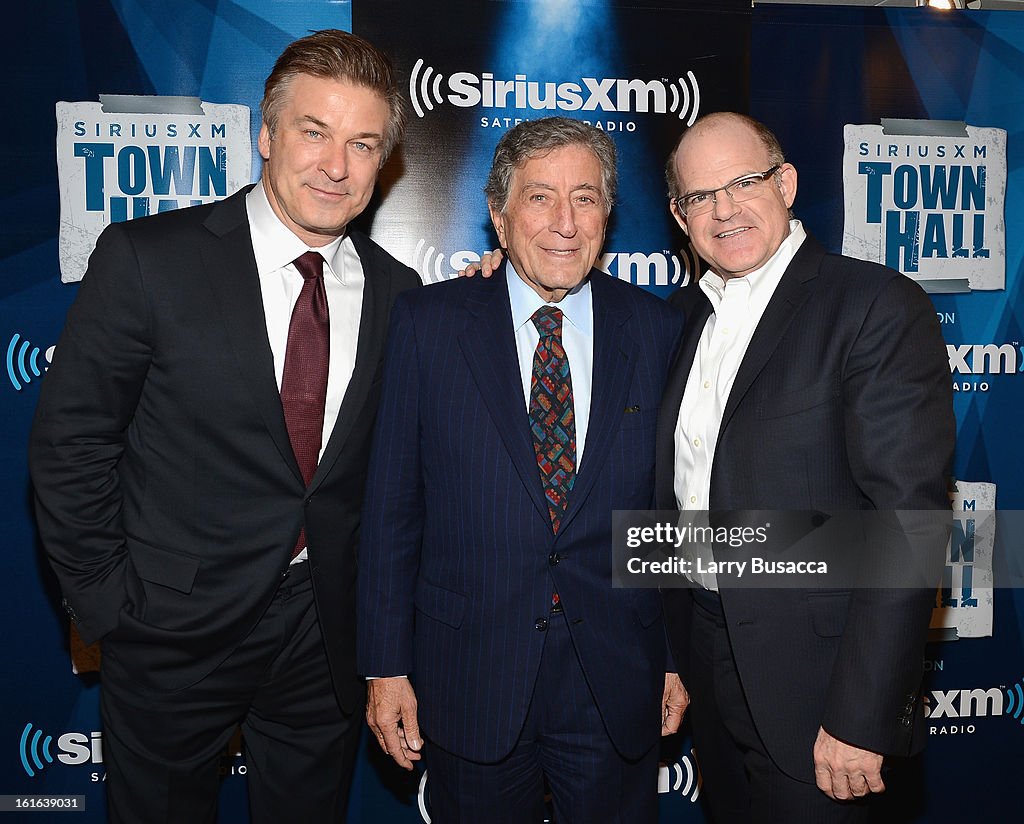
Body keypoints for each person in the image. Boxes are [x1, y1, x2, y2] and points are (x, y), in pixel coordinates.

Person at [29, 29, 420, 823]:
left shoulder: (401, 293)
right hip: (170, 630)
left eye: (362, 144)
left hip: (325, 640)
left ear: (383, 164)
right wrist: (111, 611)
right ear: (267, 135)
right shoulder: (150, 257)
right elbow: (70, 444)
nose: (336, 165)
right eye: (314, 132)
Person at [357, 116, 687, 823]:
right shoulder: (427, 323)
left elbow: (667, 512)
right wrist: (386, 667)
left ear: (609, 213)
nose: (564, 223)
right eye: (540, 198)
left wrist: (672, 655)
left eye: (586, 198)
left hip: (614, 678)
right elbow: (390, 510)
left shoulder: (658, 332)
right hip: (470, 673)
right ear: (499, 218)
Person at [657, 112, 954, 822]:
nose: (724, 209)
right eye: (700, 197)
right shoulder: (681, 319)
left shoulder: (873, 305)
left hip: (821, 687)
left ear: (786, 183)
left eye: (744, 183)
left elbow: (907, 524)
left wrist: (861, 715)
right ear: (679, 215)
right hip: (707, 656)